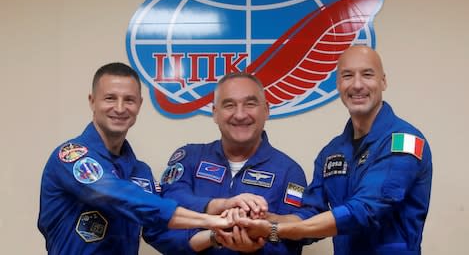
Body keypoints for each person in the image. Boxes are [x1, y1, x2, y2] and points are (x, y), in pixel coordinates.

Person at [235, 45, 433, 255]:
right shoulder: (330, 152)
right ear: (338, 84)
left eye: (367, 75)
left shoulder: (404, 142)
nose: (357, 85)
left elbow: (365, 210)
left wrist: (277, 229)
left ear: (383, 81)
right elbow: (312, 213)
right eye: (347, 76)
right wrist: (264, 220)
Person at [38, 62, 232, 255]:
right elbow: (120, 196)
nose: (120, 108)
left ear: (139, 104)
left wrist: (216, 235)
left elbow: (162, 235)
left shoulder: (141, 172)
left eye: (129, 100)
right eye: (110, 98)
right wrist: (210, 218)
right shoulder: (70, 157)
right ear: (92, 101)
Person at [143, 72, 307, 254]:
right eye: (229, 105)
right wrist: (217, 213)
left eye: (250, 104)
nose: (240, 114)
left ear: (266, 110)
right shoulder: (189, 158)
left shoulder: (290, 172)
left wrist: (258, 241)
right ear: (215, 113)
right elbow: (158, 226)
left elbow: (296, 237)